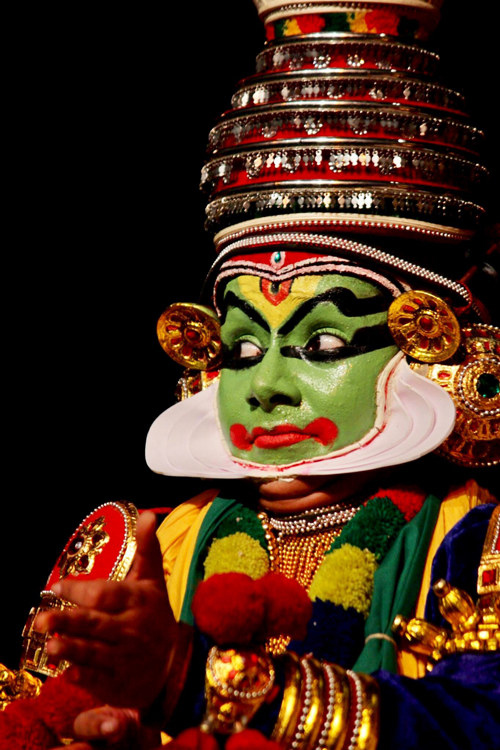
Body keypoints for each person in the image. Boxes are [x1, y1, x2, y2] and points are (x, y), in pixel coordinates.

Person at [2, 1, 498, 748]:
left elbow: (479, 727)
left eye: (322, 343)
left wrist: (185, 675)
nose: (265, 386)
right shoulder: (150, 550)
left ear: (426, 345)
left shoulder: (475, 544)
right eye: (240, 348)